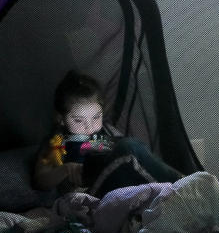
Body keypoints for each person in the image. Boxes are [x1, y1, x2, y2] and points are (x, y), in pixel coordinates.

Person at [33, 69, 183, 194]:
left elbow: (121, 152)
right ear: (61, 119)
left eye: (96, 117)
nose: (89, 127)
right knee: (128, 148)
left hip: (118, 183)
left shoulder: (103, 133)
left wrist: (109, 146)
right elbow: (41, 179)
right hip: (88, 195)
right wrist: (66, 169)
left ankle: (184, 184)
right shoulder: (58, 142)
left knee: (131, 148)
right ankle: (184, 187)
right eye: (79, 120)